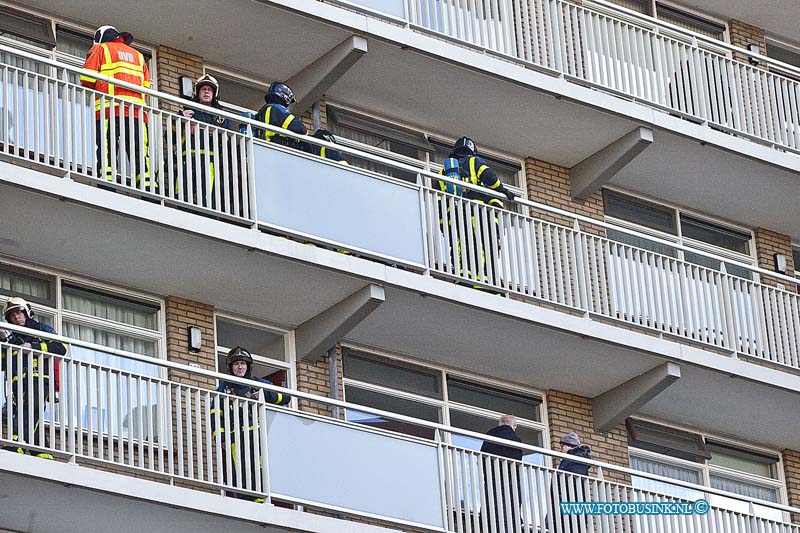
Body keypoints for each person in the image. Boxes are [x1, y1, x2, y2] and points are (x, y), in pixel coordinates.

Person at [210, 346, 291, 502]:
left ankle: (261, 501)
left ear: (248, 366)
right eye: (236, 364)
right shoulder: (224, 388)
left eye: (243, 364)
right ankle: (245, 502)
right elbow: (215, 413)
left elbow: (285, 397)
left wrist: (263, 394)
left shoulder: (258, 384)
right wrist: (220, 437)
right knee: (240, 471)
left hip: (258, 435)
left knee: (259, 470)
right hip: (236, 438)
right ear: (230, 367)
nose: (240, 367)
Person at [80, 26, 155, 191]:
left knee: (107, 146)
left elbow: (86, 78)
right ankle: (147, 186)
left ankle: (107, 181)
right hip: (137, 111)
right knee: (139, 150)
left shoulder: (101, 49)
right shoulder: (139, 56)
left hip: (110, 108)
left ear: (100, 38)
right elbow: (146, 86)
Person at [437, 137, 516, 287]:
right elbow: (490, 177)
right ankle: (487, 282)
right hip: (477, 214)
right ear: (472, 151)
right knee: (485, 247)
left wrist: (445, 226)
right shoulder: (474, 162)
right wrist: (503, 190)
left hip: (454, 219)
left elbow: (439, 203)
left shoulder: (443, 173)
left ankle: (462, 278)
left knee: (461, 247)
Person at [1, 297, 66, 459]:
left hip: (39, 377)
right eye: (12, 316)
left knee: (32, 409)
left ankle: (17, 442)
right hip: (16, 382)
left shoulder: (40, 329)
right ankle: (42, 450)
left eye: (19, 313)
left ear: (26, 313)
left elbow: (60, 347)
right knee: (24, 411)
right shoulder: (9, 336)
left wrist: (33, 347)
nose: (17, 318)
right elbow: (3, 363)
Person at [176, 74, 233, 206]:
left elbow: (228, 141)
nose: (206, 92)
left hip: (210, 162)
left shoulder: (221, 117)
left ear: (214, 94)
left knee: (208, 197)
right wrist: (180, 118)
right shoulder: (189, 111)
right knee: (184, 194)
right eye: (203, 89)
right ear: (198, 92)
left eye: (209, 90)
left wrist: (218, 133)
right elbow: (171, 136)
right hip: (189, 159)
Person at [480, 415, 523, 532]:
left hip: (492, 480)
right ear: (513, 426)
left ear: (501, 423)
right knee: (510, 511)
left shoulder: (489, 437)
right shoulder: (516, 441)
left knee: (493, 509)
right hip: (510, 482)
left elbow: (483, 459)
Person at [548, 432, 593, 532]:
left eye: (562, 446)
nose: (561, 449)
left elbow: (574, 485)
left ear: (569, 445)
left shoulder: (576, 461)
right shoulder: (572, 460)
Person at [254, 82, 309, 151]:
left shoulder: (262, 111)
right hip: (278, 149)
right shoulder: (278, 109)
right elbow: (301, 129)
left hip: (264, 148)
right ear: (285, 96)